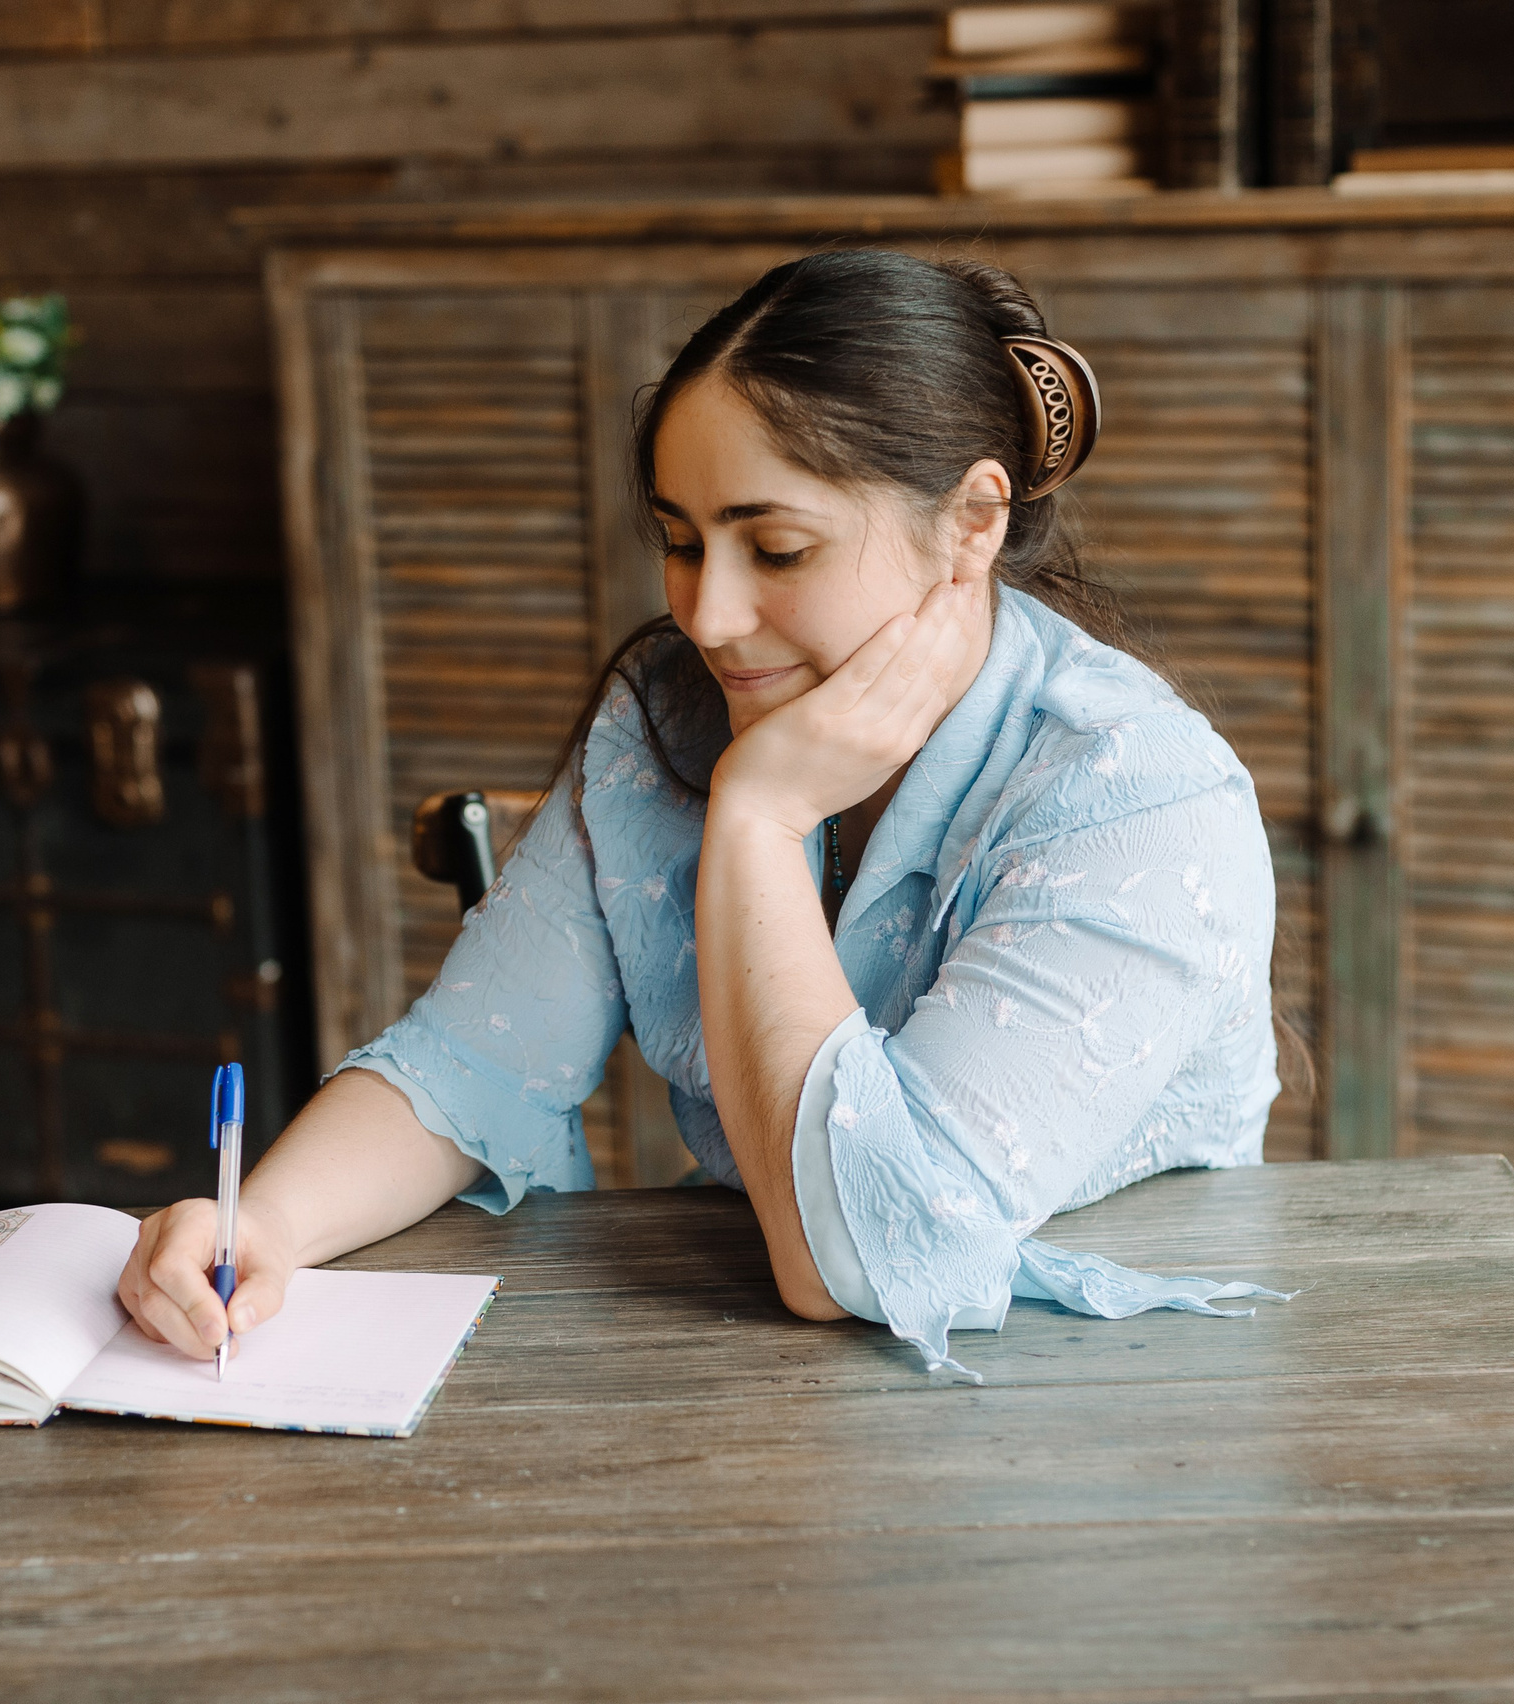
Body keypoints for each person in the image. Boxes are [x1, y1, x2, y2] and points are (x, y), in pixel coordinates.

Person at [121, 249, 1287, 1378]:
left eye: (775, 548)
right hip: (756, 1370)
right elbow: (471, 1064)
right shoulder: (666, 719)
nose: (709, 615)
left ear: (972, 523)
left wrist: (759, 822)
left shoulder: (1138, 800)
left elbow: (861, 1265)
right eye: (679, 542)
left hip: (1105, 1391)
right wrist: (263, 1222)